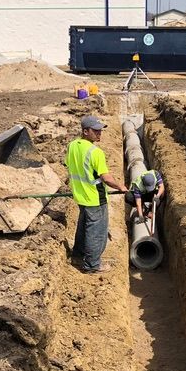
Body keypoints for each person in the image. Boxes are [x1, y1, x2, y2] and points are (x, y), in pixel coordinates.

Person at [66, 115, 127, 273]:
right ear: (85, 131)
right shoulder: (95, 152)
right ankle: (92, 265)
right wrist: (121, 187)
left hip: (80, 196)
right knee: (96, 232)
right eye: (96, 131)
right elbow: (105, 178)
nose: (99, 134)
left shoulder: (72, 146)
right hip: (95, 198)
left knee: (83, 228)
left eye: (100, 130)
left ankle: (78, 256)